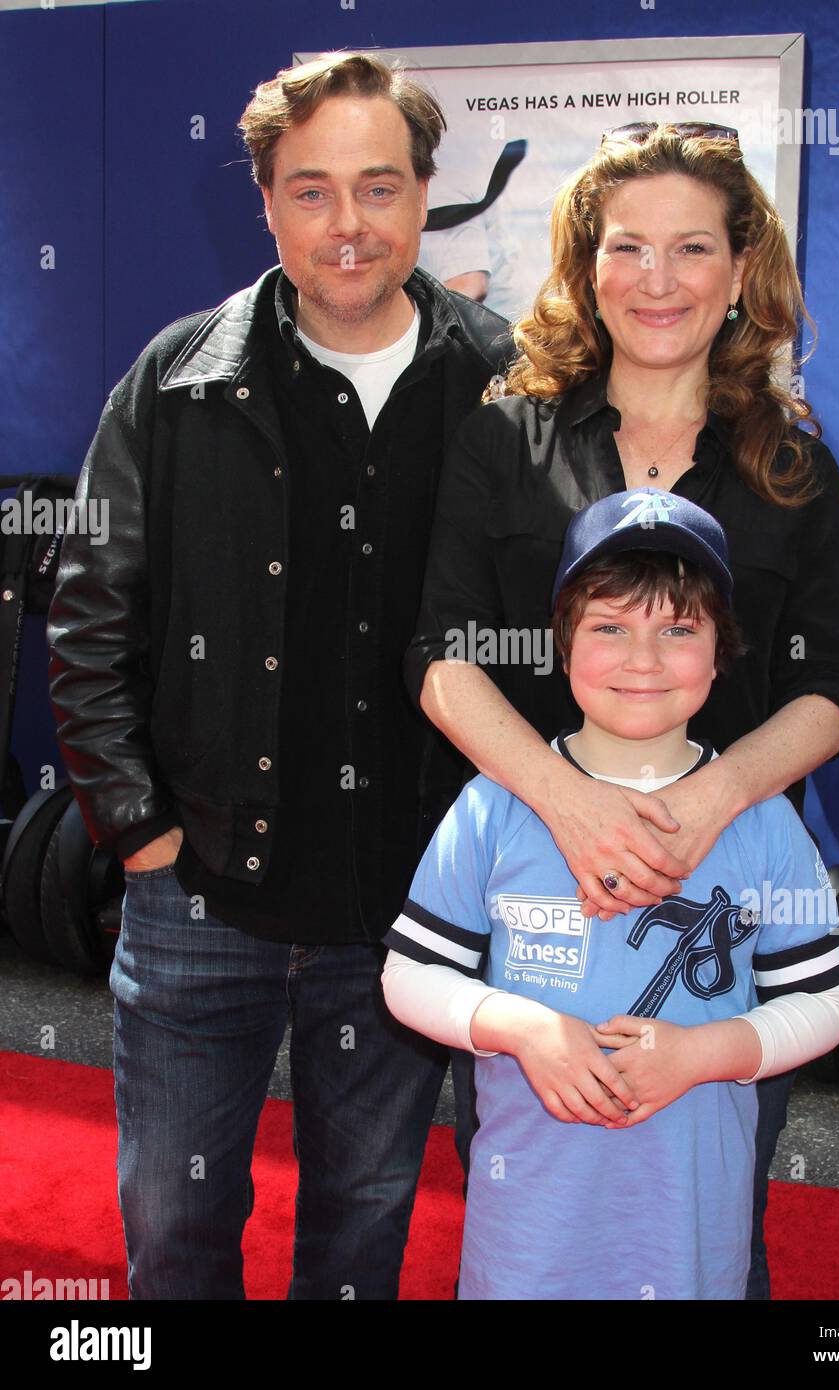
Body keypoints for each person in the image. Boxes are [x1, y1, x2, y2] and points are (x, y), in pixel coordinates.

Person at [46, 51, 509, 1300]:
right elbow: (89, 617)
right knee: (174, 1231)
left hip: (406, 904)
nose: (346, 226)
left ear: (425, 192)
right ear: (264, 201)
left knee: (361, 1231)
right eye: (310, 191)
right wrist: (138, 832)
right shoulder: (175, 380)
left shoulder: (508, 388)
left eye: (376, 186)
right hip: (201, 895)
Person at [404, 121, 839, 1297]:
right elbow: (443, 660)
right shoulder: (502, 441)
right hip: (531, 890)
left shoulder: (789, 465)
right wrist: (569, 807)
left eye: (691, 248)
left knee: (709, 1218)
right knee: (530, 1206)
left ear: (738, 271)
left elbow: (829, 692)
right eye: (626, 248)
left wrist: (711, 800)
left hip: (718, 887)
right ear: (584, 264)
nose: (655, 279)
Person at [383, 489, 839, 1299]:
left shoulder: (763, 821)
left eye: (678, 629)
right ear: (564, 646)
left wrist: (700, 1055)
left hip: (687, 1226)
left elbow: (823, 1002)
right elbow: (408, 976)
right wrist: (524, 1028)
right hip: (526, 1224)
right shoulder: (496, 803)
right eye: (609, 628)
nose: (644, 660)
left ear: (719, 653)